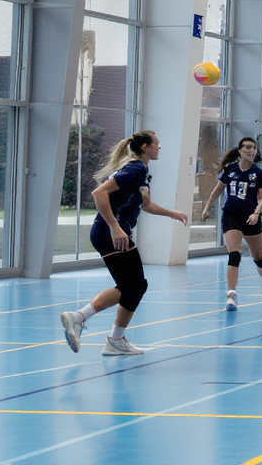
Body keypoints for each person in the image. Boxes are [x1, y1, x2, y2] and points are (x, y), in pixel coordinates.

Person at [59, 131, 190, 355]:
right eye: (157, 144)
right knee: (135, 286)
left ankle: (113, 338)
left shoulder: (142, 172)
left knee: (134, 286)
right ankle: (82, 320)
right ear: (146, 147)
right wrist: (115, 227)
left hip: (111, 232)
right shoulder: (135, 169)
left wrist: (172, 213)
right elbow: (99, 193)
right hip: (109, 232)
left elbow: (145, 205)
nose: (160, 147)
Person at [200, 137, 262, 310]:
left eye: (254, 148)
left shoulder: (258, 172)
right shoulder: (230, 169)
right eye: (248, 148)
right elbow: (217, 190)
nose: (252, 151)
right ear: (240, 150)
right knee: (234, 255)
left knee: (258, 257)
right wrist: (206, 207)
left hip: (251, 216)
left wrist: (256, 213)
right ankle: (231, 295)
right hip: (231, 215)